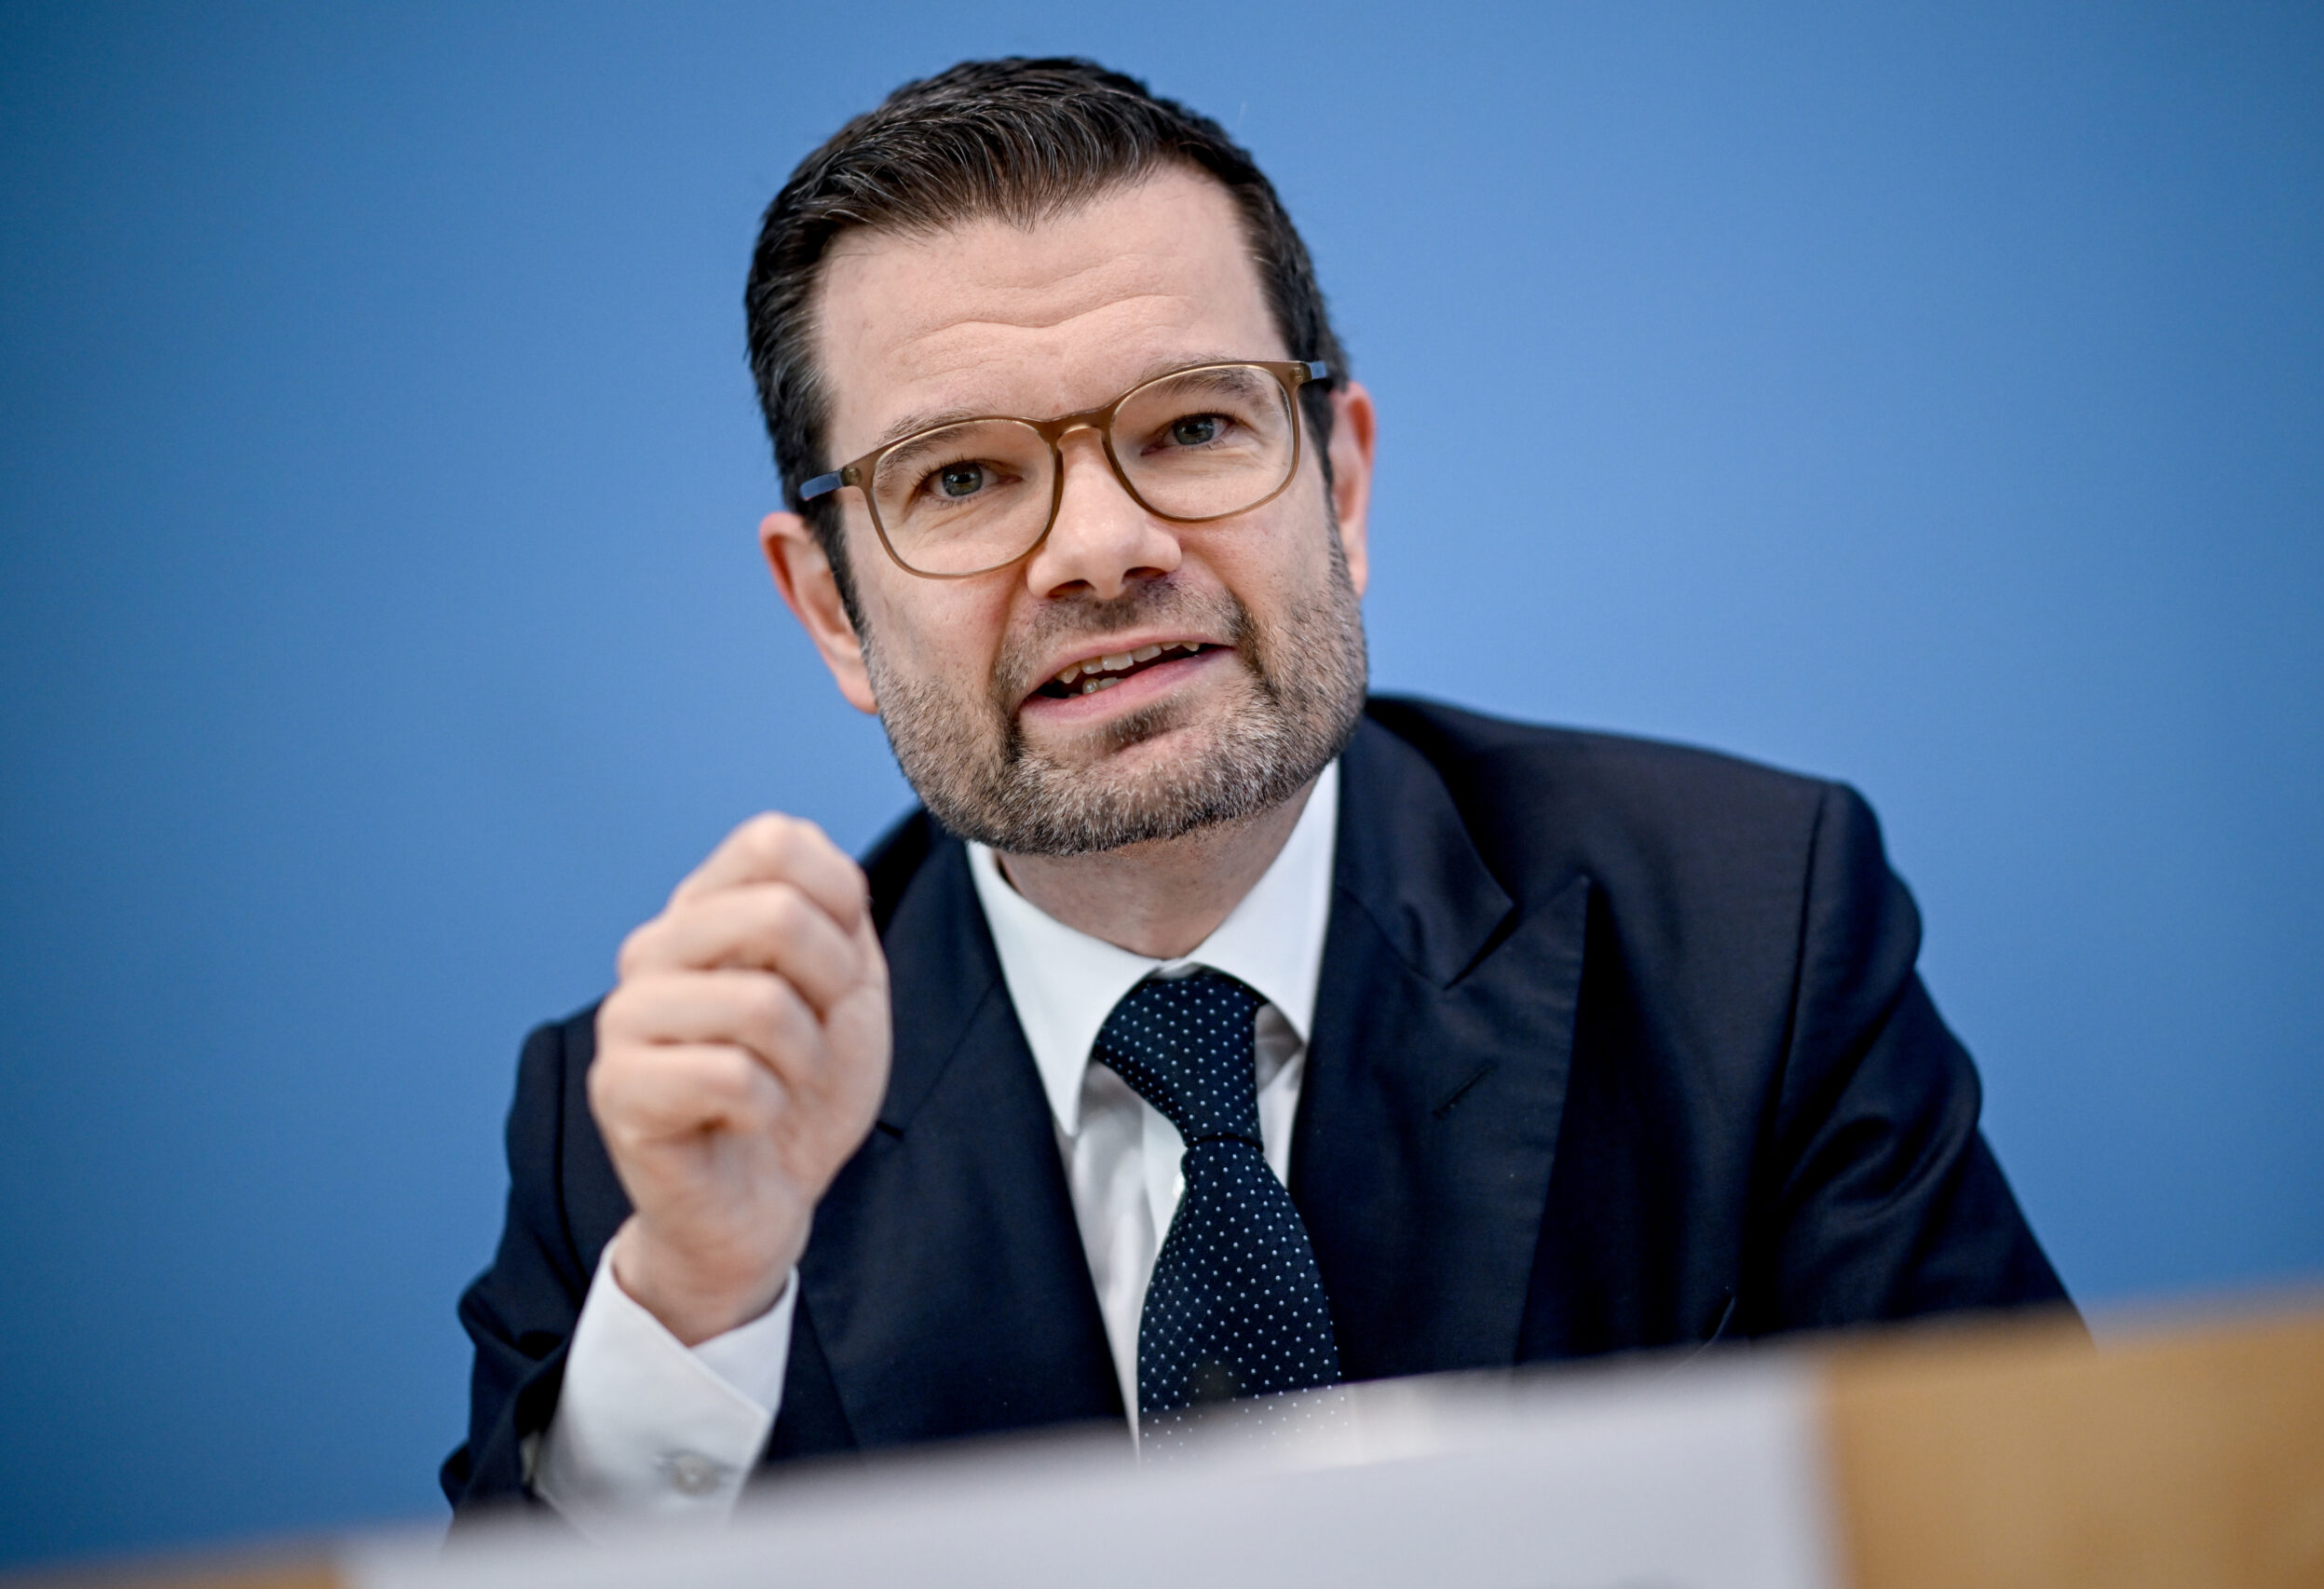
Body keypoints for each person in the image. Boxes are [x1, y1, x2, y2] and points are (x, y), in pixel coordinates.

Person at [442, 57, 2071, 1528]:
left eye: (1197, 424)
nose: (1101, 548)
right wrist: (701, 1299)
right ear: (830, 609)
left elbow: (2055, 1531)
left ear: (1341, 485)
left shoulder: (1747, 928)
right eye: (959, 477)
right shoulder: (648, 1149)